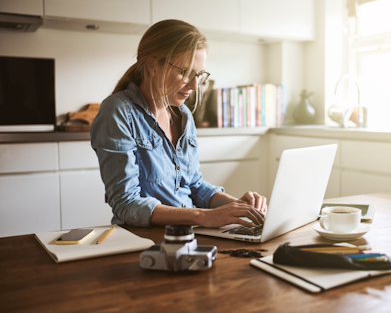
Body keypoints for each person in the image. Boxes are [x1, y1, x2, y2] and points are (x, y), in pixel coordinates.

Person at [91, 20, 267, 229]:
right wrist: (203, 217)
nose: (194, 85)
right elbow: (126, 203)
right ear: (152, 66)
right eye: (185, 72)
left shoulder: (183, 115)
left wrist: (238, 206)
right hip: (143, 239)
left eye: (198, 75)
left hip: (189, 234)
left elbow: (194, 185)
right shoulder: (119, 111)